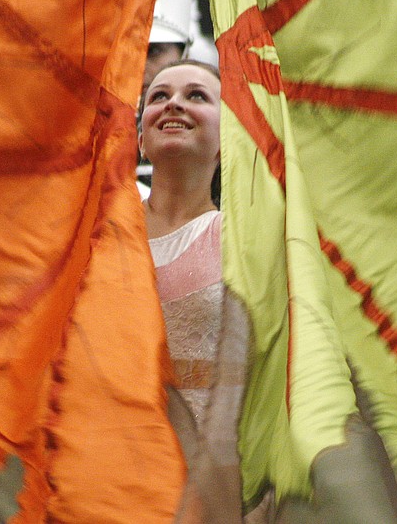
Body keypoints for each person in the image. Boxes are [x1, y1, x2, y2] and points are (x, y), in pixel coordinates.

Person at [140, 59, 248, 522]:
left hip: (209, 493)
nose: (174, 104)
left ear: (227, 142)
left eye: (197, 96)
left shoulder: (247, 241)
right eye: (158, 96)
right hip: (105, 476)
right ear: (140, 139)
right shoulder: (97, 226)